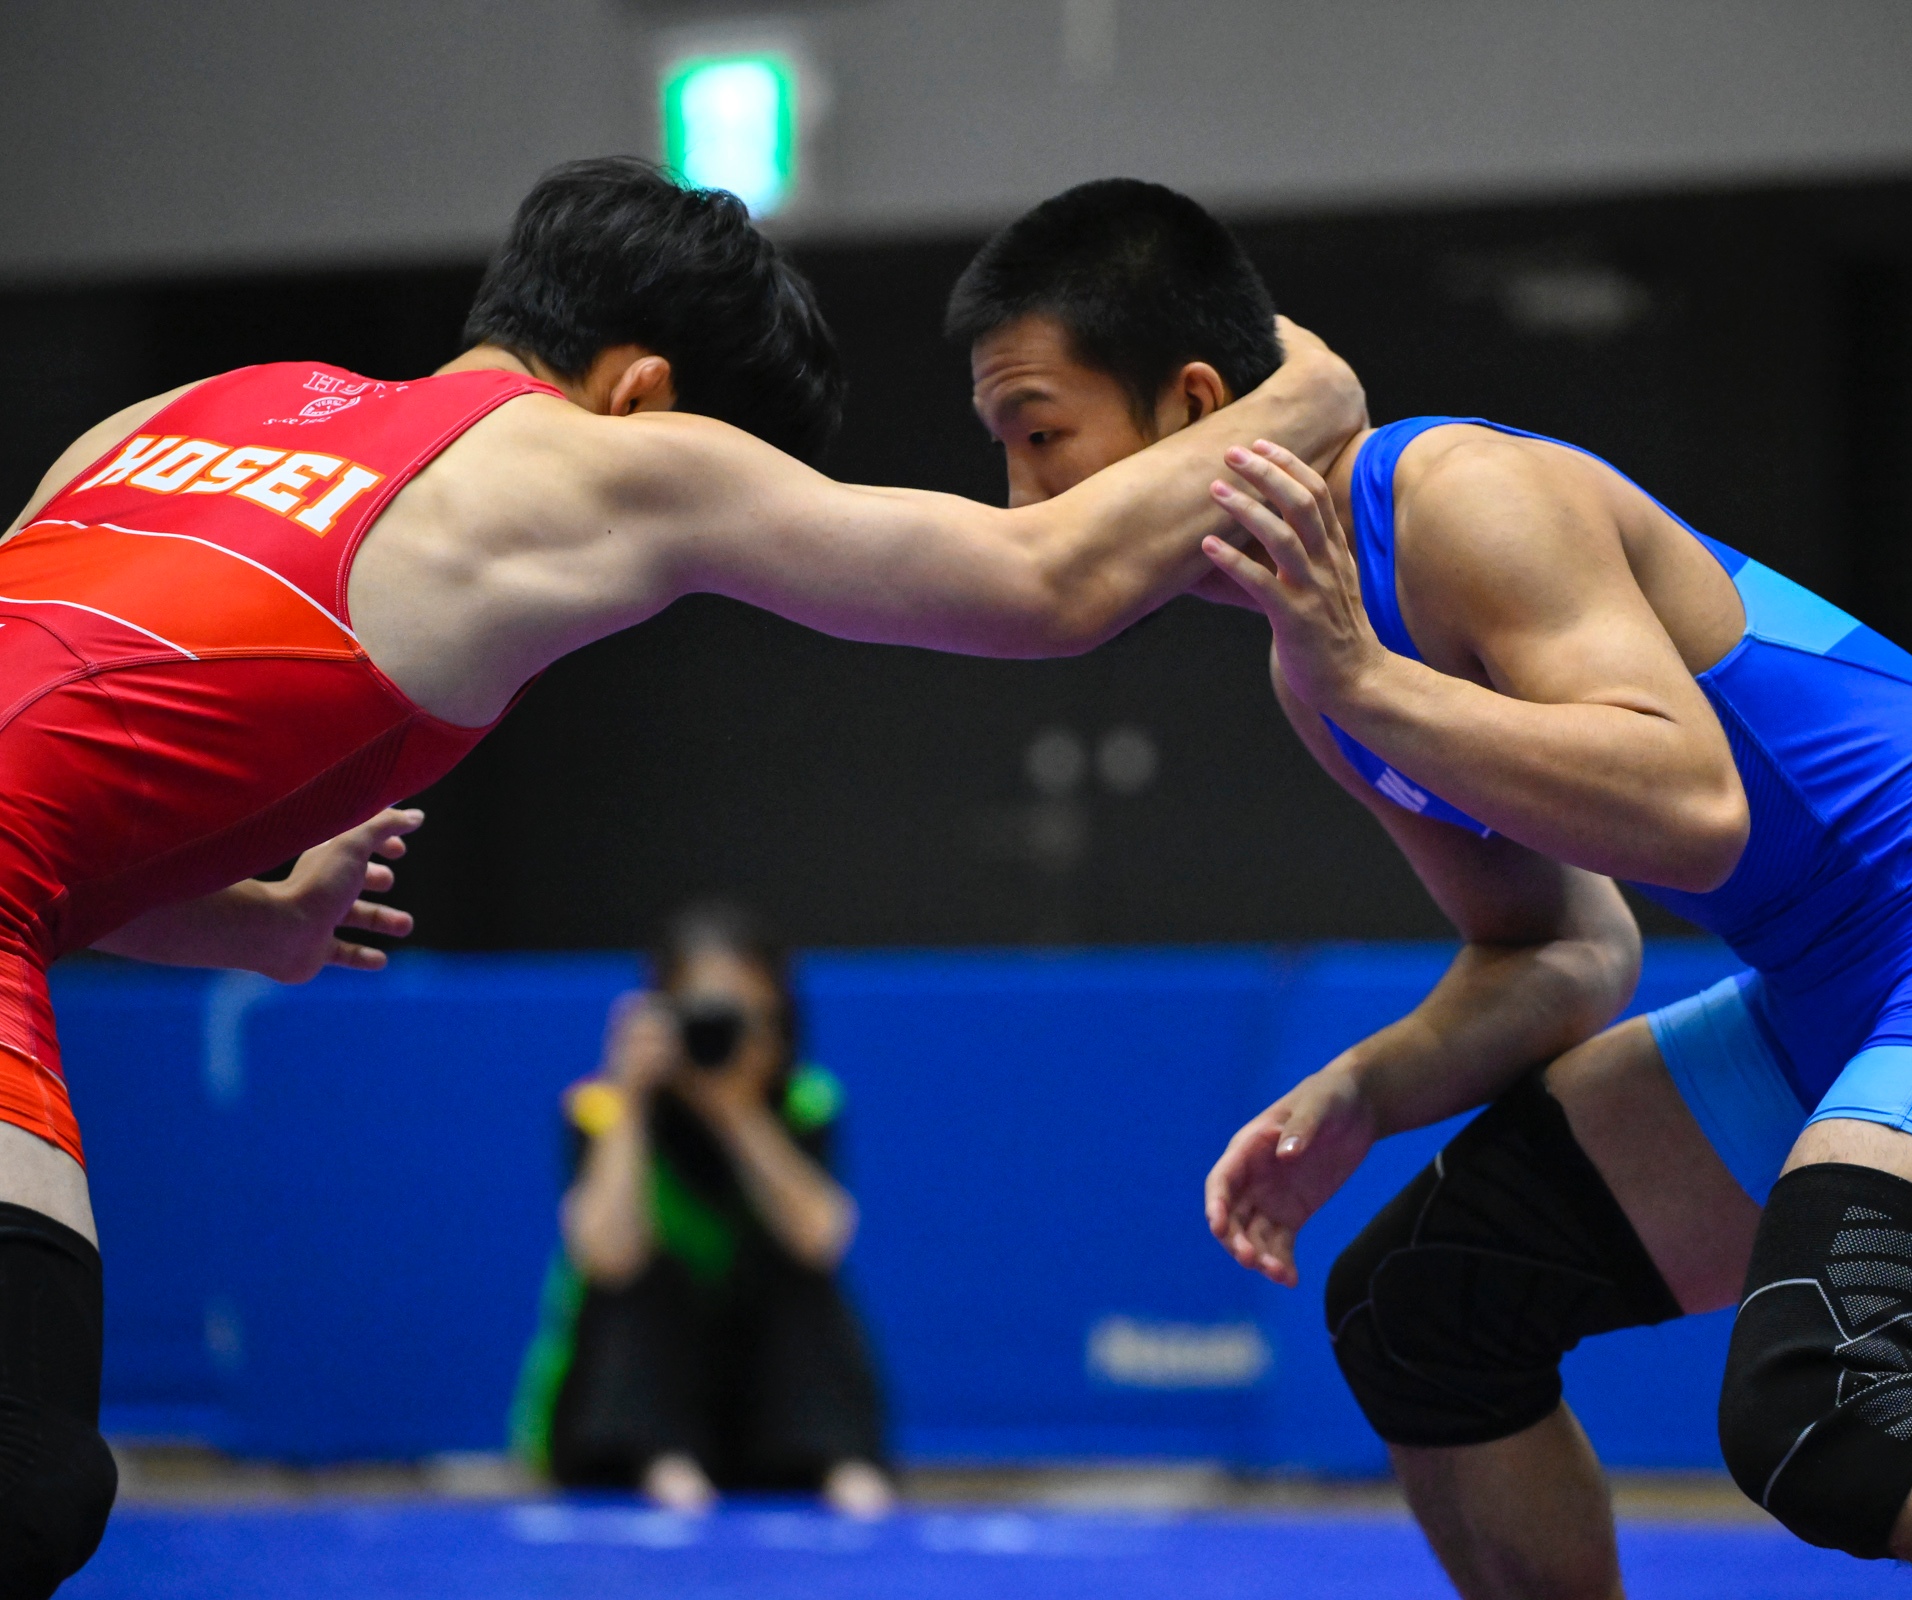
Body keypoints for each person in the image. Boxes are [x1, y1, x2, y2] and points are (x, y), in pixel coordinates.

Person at [0, 155, 1362, 1594]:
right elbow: (1048, 583)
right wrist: (1308, 394)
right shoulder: (609, 461)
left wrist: (252, 926)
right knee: (24, 1482)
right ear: (645, 392)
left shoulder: (180, 413)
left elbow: (42, 800)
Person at [945, 178, 1912, 1600]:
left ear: (1193, 406)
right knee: (1422, 1308)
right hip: (1827, 1000)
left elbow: (1691, 804)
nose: (1024, 505)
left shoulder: (1459, 498)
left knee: (1827, 1405)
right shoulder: (1315, 666)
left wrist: (1370, 683)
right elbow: (1560, 947)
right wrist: (1366, 1092)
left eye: (1041, 438)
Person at [513, 903, 891, 1515]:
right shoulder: (601, 1107)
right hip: (621, 1406)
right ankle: (658, 1460)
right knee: (649, 1278)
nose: (721, 1034)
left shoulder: (804, 1101)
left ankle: (838, 1461)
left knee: (795, 1277)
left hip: (762, 1418)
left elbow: (822, 1238)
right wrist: (632, 1098)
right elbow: (606, 1257)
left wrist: (735, 1110)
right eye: (703, 1015)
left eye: (744, 1015)